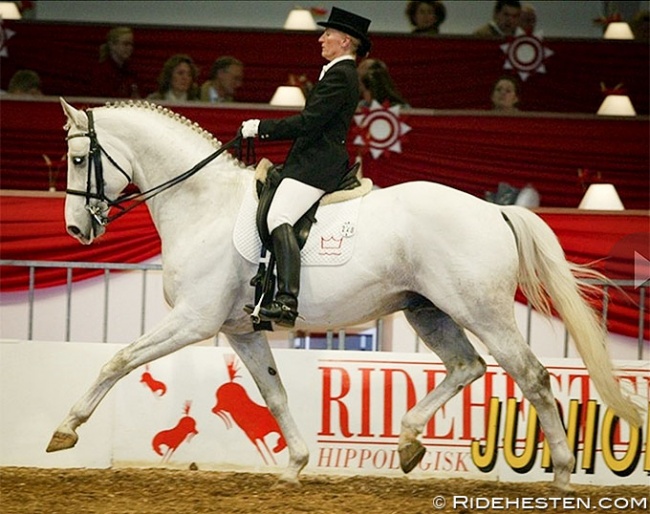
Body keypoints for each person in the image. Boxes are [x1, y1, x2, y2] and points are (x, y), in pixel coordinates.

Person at [239, 7, 372, 328]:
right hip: (309, 159)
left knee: (278, 216)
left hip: (318, 163)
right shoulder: (336, 71)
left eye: (327, 34)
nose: (321, 38)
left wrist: (262, 127)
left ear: (345, 41)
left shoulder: (342, 74)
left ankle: (286, 300)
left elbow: (310, 122)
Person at [90, 26, 140, 98]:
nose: (130, 48)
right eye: (125, 44)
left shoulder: (132, 72)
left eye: (131, 44)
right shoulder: (101, 72)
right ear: (112, 45)